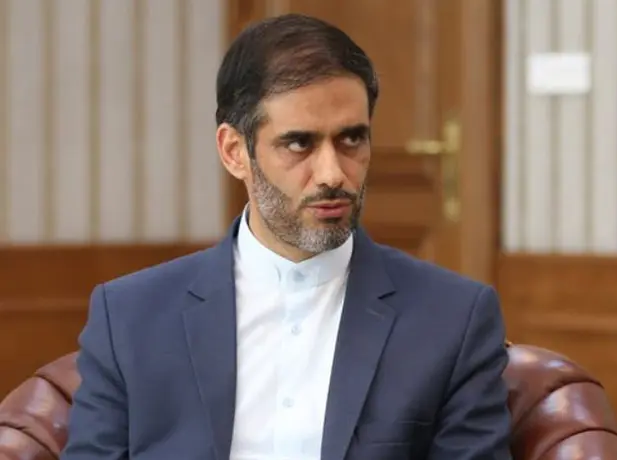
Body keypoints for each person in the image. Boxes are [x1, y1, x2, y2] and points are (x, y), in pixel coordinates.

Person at [62, 13, 512, 460]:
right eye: (299, 144)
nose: (333, 174)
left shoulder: (453, 320)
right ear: (235, 152)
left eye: (351, 140)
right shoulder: (130, 318)